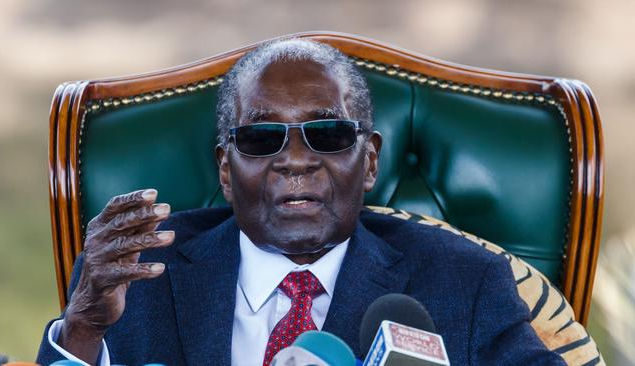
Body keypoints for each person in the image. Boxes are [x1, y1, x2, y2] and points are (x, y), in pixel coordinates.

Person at [36, 39, 565, 365]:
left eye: (329, 135)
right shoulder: (138, 279)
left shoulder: (465, 283)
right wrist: (82, 330)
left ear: (371, 160)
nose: (294, 161)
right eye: (262, 138)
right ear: (225, 167)